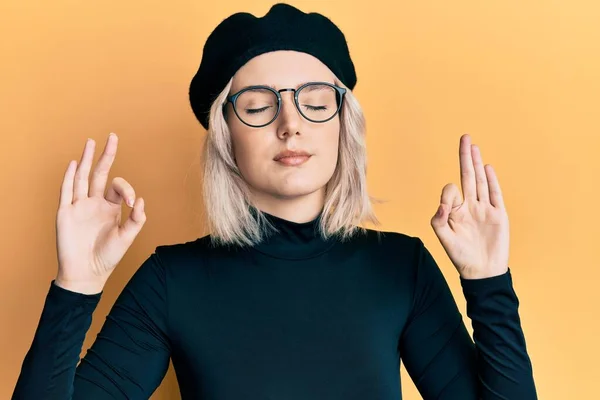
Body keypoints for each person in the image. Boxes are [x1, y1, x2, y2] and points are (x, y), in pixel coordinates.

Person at [12, 3, 537, 399]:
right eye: (260, 106)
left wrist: (489, 282)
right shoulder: (171, 281)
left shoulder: (402, 268)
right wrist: (74, 286)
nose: (290, 125)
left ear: (342, 127)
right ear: (226, 138)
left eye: (314, 101)